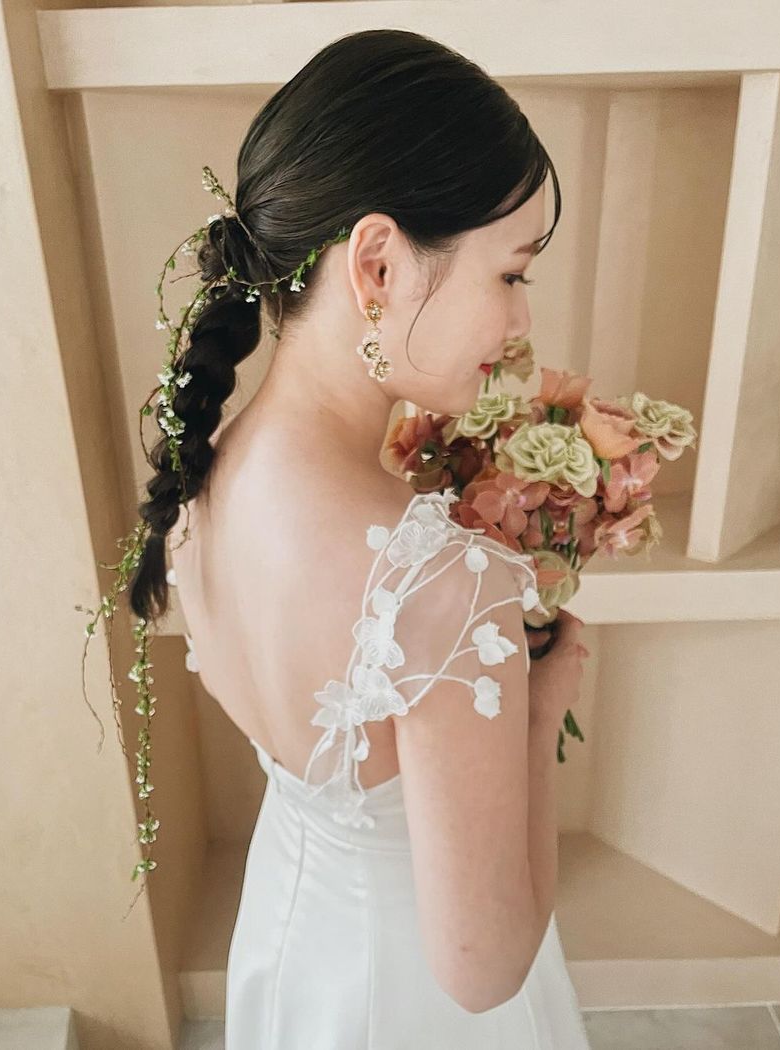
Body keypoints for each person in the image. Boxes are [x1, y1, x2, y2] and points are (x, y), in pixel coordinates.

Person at [141, 27, 591, 1049]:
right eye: (511, 275)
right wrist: (543, 712)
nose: (520, 325)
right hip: (408, 1003)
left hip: (292, 947)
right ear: (377, 263)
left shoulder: (205, 478)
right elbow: (483, 972)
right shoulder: (444, 581)